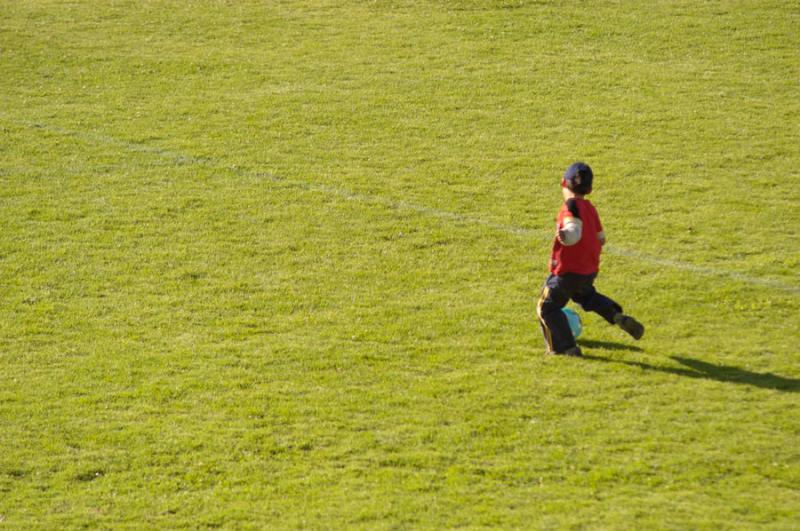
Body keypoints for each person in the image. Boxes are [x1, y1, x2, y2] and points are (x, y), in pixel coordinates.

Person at [536, 162, 644, 356]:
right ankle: (615, 315)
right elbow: (602, 238)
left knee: (547, 307)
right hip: (588, 270)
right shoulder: (590, 208)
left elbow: (573, 231)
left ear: (563, 183)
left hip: (567, 271)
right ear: (590, 189)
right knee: (586, 295)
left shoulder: (570, 206)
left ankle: (565, 348)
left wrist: (567, 235)